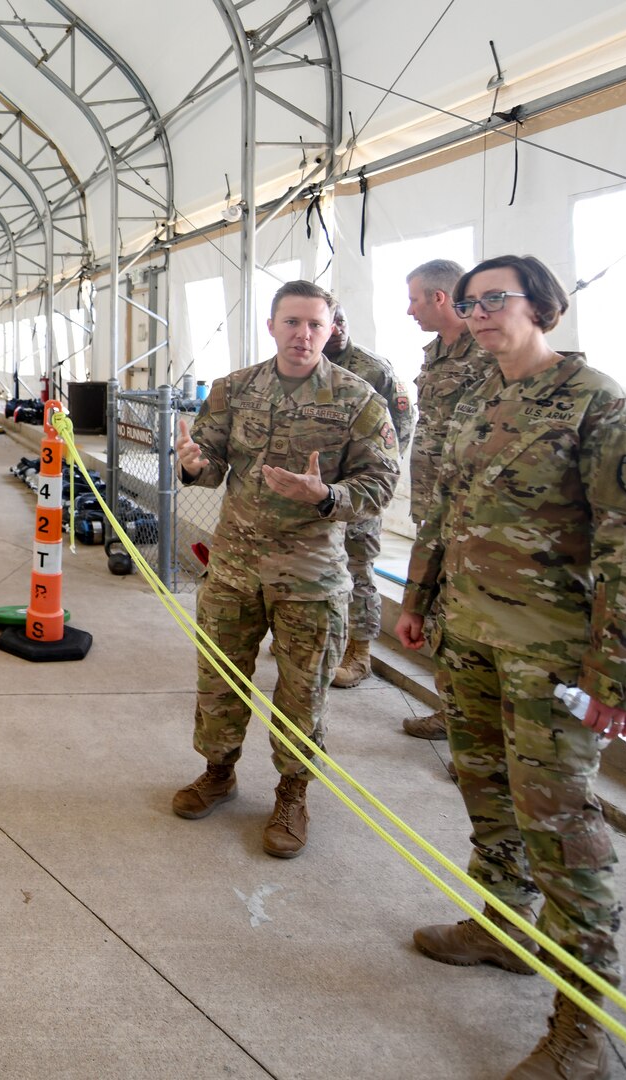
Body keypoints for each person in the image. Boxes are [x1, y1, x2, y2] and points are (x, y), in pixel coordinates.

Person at [394, 255, 626, 1079]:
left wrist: (618, 676)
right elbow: (444, 509)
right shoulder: (482, 398)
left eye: (496, 300)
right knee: (485, 792)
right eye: (472, 303)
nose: (479, 315)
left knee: (562, 830)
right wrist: (419, 598)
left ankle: (581, 1027)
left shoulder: (603, 404)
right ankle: (503, 926)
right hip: (470, 636)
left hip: (551, 656)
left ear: (543, 306)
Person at [171, 280, 400, 858]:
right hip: (233, 570)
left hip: (310, 577)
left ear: (331, 330)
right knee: (218, 682)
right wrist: (195, 465)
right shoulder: (234, 389)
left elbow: (381, 485)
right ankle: (218, 773)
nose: (303, 335)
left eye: (315, 325)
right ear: (271, 326)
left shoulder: (358, 399)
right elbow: (212, 462)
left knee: (303, 694)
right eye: (292, 322)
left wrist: (325, 496)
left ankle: (292, 794)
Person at [399, 259, 499, 740]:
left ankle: (482, 729)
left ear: (440, 298)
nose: (409, 309)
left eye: (415, 298)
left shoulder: (489, 353)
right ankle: (454, 712)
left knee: (470, 617)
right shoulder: (435, 352)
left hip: (475, 513)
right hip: (433, 505)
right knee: (439, 608)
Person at [322, 305, 414, 688]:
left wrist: (375, 474)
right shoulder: (299, 365)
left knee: (358, 569)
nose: (339, 328)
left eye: (343, 319)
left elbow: (402, 425)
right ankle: (324, 641)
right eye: (332, 321)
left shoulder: (373, 369)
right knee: (317, 568)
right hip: (317, 493)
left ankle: (359, 653)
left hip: (359, 491)